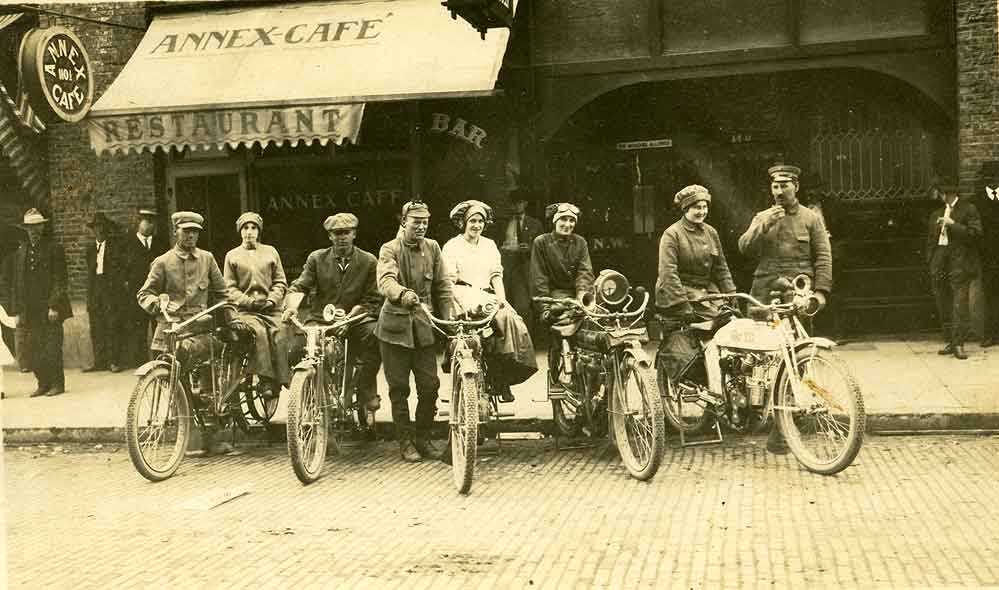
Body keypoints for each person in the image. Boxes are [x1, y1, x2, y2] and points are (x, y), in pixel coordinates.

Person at [738, 164, 832, 455]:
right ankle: (753, 411)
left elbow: (823, 256)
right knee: (759, 359)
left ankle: (783, 428)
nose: (779, 192)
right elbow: (743, 248)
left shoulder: (810, 218)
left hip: (797, 295)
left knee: (796, 360)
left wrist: (820, 292)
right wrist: (761, 226)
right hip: (765, 294)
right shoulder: (762, 217)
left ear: (796, 187)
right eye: (775, 187)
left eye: (785, 186)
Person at [137, 211, 241, 455]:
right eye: (186, 231)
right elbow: (144, 294)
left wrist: (232, 320)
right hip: (169, 332)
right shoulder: (162, 262)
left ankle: (211, 437)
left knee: (207, 385)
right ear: (176, 231)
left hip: (200, 331)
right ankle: (186, 433)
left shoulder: (207, 259)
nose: (191, 235)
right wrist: (158, 304)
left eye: (195, 231)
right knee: (172, 384)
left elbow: (223, 294)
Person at [282, 212, 383, 416]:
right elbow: (299, 285)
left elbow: (373, 299)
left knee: (375, 337)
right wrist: (291, 306)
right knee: (295, 349)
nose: (342, 237)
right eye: (336, 233)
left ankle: (366, 389)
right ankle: (318, 391)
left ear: (354, 234)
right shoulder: (316, 259)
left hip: (356, 320)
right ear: (329, 236)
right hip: (321, 320)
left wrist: (350, 317)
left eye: (346, 232)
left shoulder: (368, 261)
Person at [376, 199, 454, 462]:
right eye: (416, 222)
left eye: (425, 222)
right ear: (403, 222)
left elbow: (443, 287)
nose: (421, 227)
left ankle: (424, 438)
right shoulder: (390, 248)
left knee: (430, 387)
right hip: (394, 329)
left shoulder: (433, 248)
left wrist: (450, 320)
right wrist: (402, 294)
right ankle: (406, 442)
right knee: (399, 389)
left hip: (424, 328)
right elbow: (386, 280)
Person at [443, 200, 537, 402]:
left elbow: (496, 276)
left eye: (480, 221)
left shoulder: (489, 245)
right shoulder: (452, 246)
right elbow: (448, 282)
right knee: (472, 335)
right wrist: (457, 303)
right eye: (472, 221)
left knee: (511, 321)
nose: (476, 225)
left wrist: (502, 300)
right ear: (463, 223)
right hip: (461, 294)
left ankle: (501, 378)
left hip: (487, 296)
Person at [655, 185, 737, 394]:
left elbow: (721, 268)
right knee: (713, 329)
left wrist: (732, 295)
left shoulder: (711, 232)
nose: (701, 211)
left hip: (706, 291)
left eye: (704, 207)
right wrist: (682, 304)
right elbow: (668, 273)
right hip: (679, 292)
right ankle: (714, 388)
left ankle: (732, 380)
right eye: (696, 208)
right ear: (685, 209)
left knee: (734, 322)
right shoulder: (672, 234)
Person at [5, 209, 72, 397]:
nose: (33, 231)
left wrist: (53, 305)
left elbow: (60, 280)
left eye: (37, 227)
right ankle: (43, 383)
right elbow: (16, 283)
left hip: (49, 309)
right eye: (29, 228)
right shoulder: (21, 251)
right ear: (25, 229)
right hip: (29, 309)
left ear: (42, 227)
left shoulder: (54, 248)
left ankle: (57, 384)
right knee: (33, 348)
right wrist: (16, 310)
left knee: (52, 347)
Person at [529, 202, 595, 391]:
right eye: (563, 219)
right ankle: (559, 371)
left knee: (598, 322)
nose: (567, 224)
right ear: (554, 221)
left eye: (571, 220)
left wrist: (583, 294)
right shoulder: (541, 242)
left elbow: (585, 271)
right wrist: (544, 307)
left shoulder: (580, 242)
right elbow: (538, 277)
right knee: (562, 326)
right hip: (553, 296)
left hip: (579, 295)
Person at [223, 212, 290, 396]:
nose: (249, 232)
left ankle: (281, 379)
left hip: (270, 309)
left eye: (253, 228)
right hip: (246, 311)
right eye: (245, 228)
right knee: (259, 332)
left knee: (280, 331)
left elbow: (280, 281)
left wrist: (272, 300)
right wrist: (248, 302)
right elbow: (229, 288)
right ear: (240, 231)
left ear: (259, 231)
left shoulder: (270, 251)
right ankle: (266, 380)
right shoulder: (232, 255)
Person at [926, 178, 982, 360]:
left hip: (960, 262)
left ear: (949, 194)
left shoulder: (968, 209)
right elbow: (930, 240)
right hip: (940, 261)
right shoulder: (936, 213)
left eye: (941, 193)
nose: (939, 196)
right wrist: (931, 260)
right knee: (944, 302)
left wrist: (953, 224)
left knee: (960, 303)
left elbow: (975, 234)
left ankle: (959, 344)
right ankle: (950, 340)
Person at [121, 208, 169, 367]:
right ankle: (140, 362)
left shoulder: (160, 243)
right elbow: (121, 269)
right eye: (147, 222)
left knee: (159, 328)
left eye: (153, 222)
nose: (150, 226)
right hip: (137, 293)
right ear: (138, 222)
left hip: (158, 292)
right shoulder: (127, 243)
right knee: (138, 328)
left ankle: (160, 362)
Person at [83, 212, 124, 373]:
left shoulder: (115, 247)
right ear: (93, 231)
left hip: (110, 289)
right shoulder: (90, 250)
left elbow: (119, 271)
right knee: (96, 326)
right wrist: (90, 296)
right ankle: (99, 361)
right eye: (96, 228)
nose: (99, 231)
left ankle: (114, 361)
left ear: (106, 229)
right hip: (95, 290)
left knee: (112, 324)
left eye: (102, 227)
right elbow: (90, 275)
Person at [500, 188, 544, 335]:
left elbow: (542, 249)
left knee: (523, 307)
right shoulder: (502, 224)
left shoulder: (535, 224)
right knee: (505, 306)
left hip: (525, 270)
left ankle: (526, 342)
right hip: (506, 269)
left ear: (525, 204)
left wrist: (530, 248)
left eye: (519, 203)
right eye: (513, 203)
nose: (515, 206)